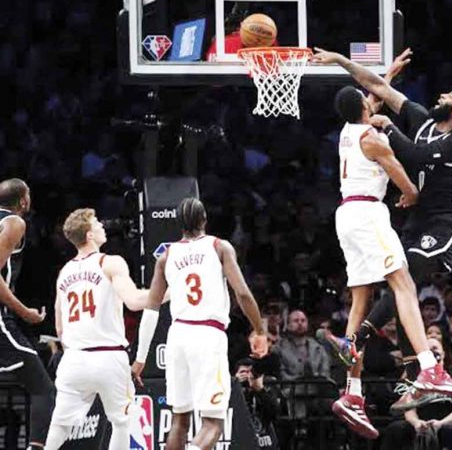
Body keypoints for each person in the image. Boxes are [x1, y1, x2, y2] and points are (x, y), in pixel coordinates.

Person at [313, 48, 452, 413]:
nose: (440, 97)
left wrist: (387, 124)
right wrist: (343, 62)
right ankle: (414, 372)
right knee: (402, 285)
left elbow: (415, 157)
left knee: (399, 282)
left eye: (448, 97)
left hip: (445, 221)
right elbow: (372, 87)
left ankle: (360, 360)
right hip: (398, 215)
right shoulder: (413, 120)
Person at [131, 197, 268, 450]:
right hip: (207, 335)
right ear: (204, 219)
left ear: (179, 224)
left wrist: (140, 359)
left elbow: (151, 311)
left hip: (178, 335)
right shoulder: (219, 247)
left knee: (179, 420)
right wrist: (260, 330)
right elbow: (244, 294)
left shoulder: (166, 257)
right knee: (213, 421)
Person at [44, 208, 150, 449]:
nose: (103, 226)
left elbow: (60, 326)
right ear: (90, 235)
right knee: (121, 422)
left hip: (74, 358)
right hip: (108, 356)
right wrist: (169, 291)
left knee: (60, 425)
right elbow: (134, 301)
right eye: (98, 223)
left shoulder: (64, 272)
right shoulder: (111, 262)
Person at [0, 178, 54, 450]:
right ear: (23, 200)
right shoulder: (14, 223)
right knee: (43, 388)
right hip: (1, 318)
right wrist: (24, 312)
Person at [380, 337, 452, 450]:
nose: (432, 352)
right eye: (428, 350)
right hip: (421, 421)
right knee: (396, 428)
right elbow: (409, 409)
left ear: (443, 353)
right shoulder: (415, 376)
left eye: (435, 348)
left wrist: (441, 423)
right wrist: (416, 423)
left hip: (450, 420)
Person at [234, 358, 281, 450]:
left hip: (265, 443)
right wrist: (236, 385)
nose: (248, 376)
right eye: (243, 372)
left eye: (250, 372)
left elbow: (275, 412)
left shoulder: (266, 388)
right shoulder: (231, 391)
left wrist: (259, 390)